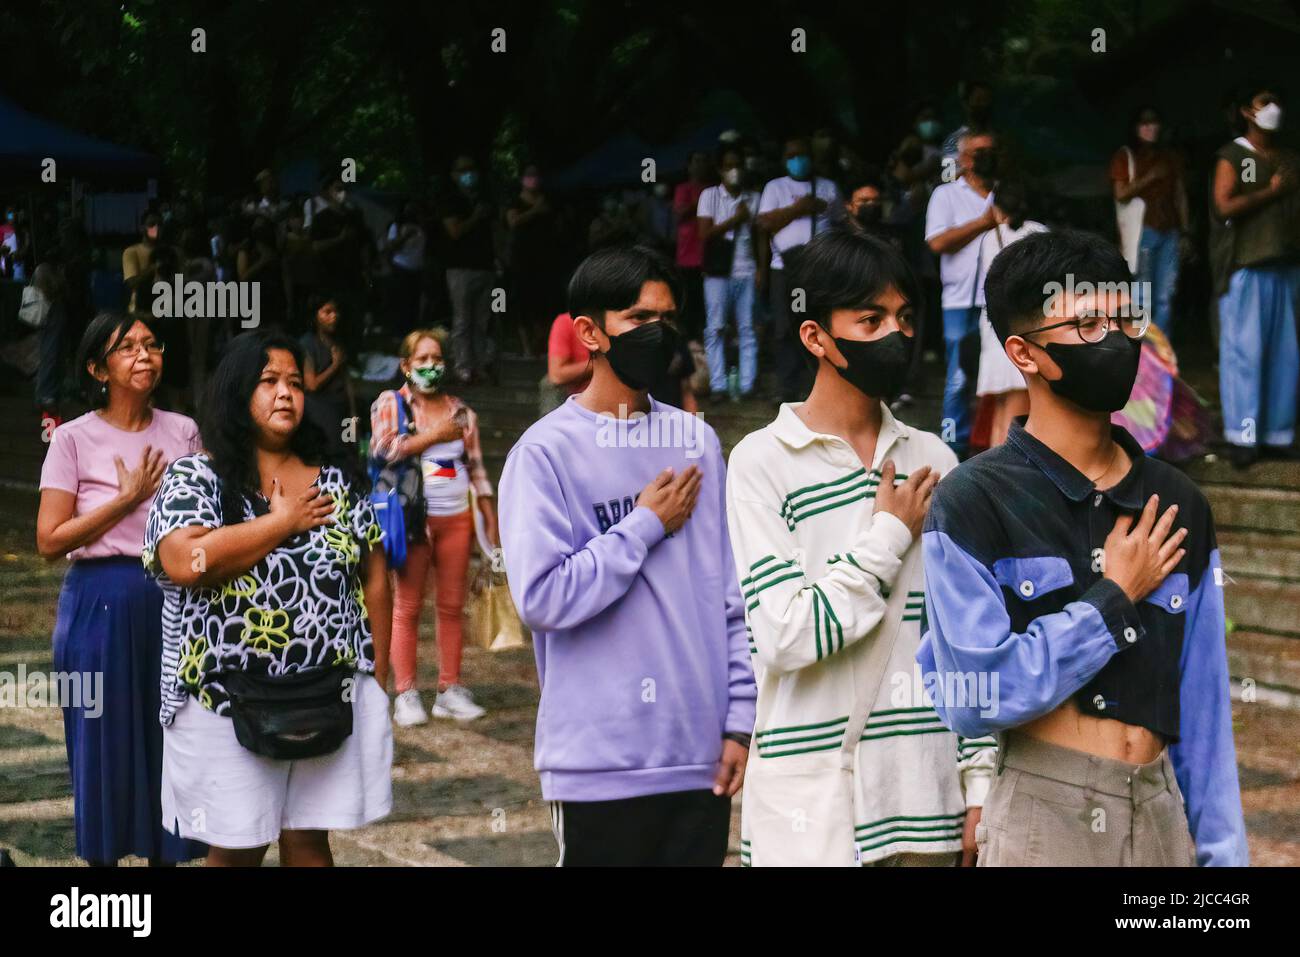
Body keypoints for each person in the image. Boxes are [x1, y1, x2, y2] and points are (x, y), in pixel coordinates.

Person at [918, 228, 1248, 867]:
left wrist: (1224, 863)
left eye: (1125, 318)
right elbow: (973, 698)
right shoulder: (973, 500)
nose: (1117, 339)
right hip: (1045, 816)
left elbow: (1204, 711)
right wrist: (1111, 601)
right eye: (1088, 323)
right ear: (1025, 352)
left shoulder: (1178, 503)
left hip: (1159, 812)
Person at [726, 227, 986, 866]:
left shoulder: (934, 459)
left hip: (925, 801)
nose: (894, 335)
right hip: (809, 817)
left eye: (902, 317)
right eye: (869, 319)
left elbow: (966, 635)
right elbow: (786, 636)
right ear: (815, 335)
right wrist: (889, 536)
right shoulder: (761, 462)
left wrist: (979, 782)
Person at [498, 245, 756, 866]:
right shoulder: (543, 454)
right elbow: (542, 598)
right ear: (589, 331)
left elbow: (730, 591)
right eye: (638, 319)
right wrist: (643, 525)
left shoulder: (695, 441)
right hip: (598, 763)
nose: (656, 334)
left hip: (697, 758)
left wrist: (739, 720)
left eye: (665, 320)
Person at [143, 331, 392, 866]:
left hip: (325, 694)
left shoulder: (336, 482)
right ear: (236, 393)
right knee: (237, 847)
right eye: (269, 381)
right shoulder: (198, 475)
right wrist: (280, 523)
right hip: (227, 701)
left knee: (309, 840)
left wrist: (379, 667)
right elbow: (186, 561)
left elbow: (374, 573)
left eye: (296, 383)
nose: (286, 394)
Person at [36, 312, 206, 867]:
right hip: (97, 603)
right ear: (96, 367)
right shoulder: (71, 438)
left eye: (152, 344)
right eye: (126, 347)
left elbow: (206, 521)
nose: (144, 354)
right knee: (102, 744)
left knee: (172, 739)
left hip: (172, 600)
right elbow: (48, 540)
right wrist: (126, 500)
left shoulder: (182, 431)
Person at [371, 328, 499, 725]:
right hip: (413, 521)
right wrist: (435, 436)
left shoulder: (462, 412)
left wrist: (489, 515)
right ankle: (406, 692)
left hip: (457, 518)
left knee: (451, 605)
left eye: (437, 359)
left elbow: (473, 467)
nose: (430, 366)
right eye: (422, 360)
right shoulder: (391, 404)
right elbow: (385, 450)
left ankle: (449, 688)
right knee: (407, 606)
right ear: (406, 366)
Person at [1208, 83, 1300, 468]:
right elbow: (1223, 205)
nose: (1272, 109)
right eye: (1265, 104)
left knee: (1286, 354)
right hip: (1246, 266)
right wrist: (1272, 192)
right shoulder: (1232, 155)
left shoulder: (1288, 157)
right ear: (1247, 111)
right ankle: (1243, 438)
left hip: (1285, 265)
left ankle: (1278, 435)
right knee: (1244, 354)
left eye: (1276, 102)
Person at [925, 130, 999, 457]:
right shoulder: (946, 195)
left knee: (998, 377)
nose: (985, 157)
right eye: (978, 152)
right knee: (958, 378)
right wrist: (983, 224)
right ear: (964, 159)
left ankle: (990, 444)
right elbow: (937, 242)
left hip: (998, 300)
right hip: (959, 300)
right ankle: (953, 445)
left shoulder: (1005, 194)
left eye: (990, 151)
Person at [758, 136, 843, 402]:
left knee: (816, 325)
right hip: (785, 269)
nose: (798, 161)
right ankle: (787, 386)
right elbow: (764, 224)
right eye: (792, 156)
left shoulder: (828, 187)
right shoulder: (775, 187)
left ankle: (814, 386)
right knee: (785, 326)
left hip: (819, 269)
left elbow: (843, 222)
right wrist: (799, 208)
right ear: (785, 160)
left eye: (802, 155)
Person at [973, 181, 1046, 448]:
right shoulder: (1038, 233)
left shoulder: (988, 239)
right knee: (1019, 407)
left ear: (997, 207)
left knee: (1002, 407)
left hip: (993, 325)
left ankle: (993, 470)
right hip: (1024, 325)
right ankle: (1003, 474)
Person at [1111, 105, 1189, 337]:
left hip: (1169, 230)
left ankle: (1159, 355)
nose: (1150, 127)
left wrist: (1185, 231)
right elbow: (1120, 193)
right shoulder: (1125, 156)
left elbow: (1180, 195)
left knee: (1166, 295)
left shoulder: (1170, 157)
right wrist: (1150, 178)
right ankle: (1143, 356)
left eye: (1154, 122)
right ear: (1135, 128)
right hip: (1143, 231)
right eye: (1144, 123)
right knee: (1143, 297)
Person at [697, 147, 760, 400]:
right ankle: (718, 385)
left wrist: (761, 270)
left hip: (747, 270)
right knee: (716, 328)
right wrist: (736, 219)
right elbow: (704, 234)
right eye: (729, 165)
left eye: (738, 165)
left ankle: (747, 386)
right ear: (720, 170)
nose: (734, 171)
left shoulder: (754, 197)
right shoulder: (709, 196)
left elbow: (760, 237)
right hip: (717, 273)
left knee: (748, 329)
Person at [440, 155, 498, 384]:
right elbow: (454, 231)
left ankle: (480, 364)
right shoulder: (450, 201)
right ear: (454, 174)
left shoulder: (484, 199)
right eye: (462, 169)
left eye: (471, 168)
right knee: (463, 320)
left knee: (482, 320)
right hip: (459, 269)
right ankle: (462, 366)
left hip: (485, 266)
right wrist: (475, 217)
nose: (468, 173)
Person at [506, 164, 559, 355]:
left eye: (535, 174)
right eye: (529, 175)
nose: (533, 178)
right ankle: (526, 346)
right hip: (522, 260)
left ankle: (541, 342)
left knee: (544, 303)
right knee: (522, 303)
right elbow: (513, 221)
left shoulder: (547, 203)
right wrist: (535, 210)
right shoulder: (515, 202)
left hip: (544, 260)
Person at [300, 297, 357, 458]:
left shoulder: (337, 342)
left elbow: (346, 380)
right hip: (321, 412)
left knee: (349, 450)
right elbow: (311, 385)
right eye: (327, 312)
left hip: (342, 408)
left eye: (335, 312)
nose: (334, 316)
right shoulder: (307, 344)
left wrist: (353, 414)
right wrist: (335, 365)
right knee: (329, 454)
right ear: (315, 316)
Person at [673, 151, 713, 338]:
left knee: (710, 306)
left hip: (711, 255)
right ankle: (690, 347)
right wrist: (700, 202)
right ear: (689, 166)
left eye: (704, 161)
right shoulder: (683, 189)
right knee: (689, 305)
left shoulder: (714, 188)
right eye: (696, 161)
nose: (700, 165)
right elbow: (679, 213)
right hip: (687, 257)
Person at [383, 201, 427, 336]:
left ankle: (412, 332)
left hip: (417, 268)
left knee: (414, 303)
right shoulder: (396, 226)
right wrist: (405, 236)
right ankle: (398, 333)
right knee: (401, 303)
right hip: (401, 267)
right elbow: (391, 247)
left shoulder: (421, 226)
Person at [539, 311, 592, 416]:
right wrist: (600, 363)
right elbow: (557, 375)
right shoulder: (567, 322)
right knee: (548, 384)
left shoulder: (619, 321)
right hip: (578, 394)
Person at [941, 80, 995, 165]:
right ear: (966, 103)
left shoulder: (998, 138)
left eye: (987, 100)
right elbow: (949, 176)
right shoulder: (953, 141)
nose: (984, 104)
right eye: (978, 99)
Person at [122, 212, 162, 313]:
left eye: (160, 224)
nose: (156, 228)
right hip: (141, 311)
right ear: (142, 228)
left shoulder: (172, 252)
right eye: (152, 224)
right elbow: (132, 283)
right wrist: (153, 268)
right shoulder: (132, 252)